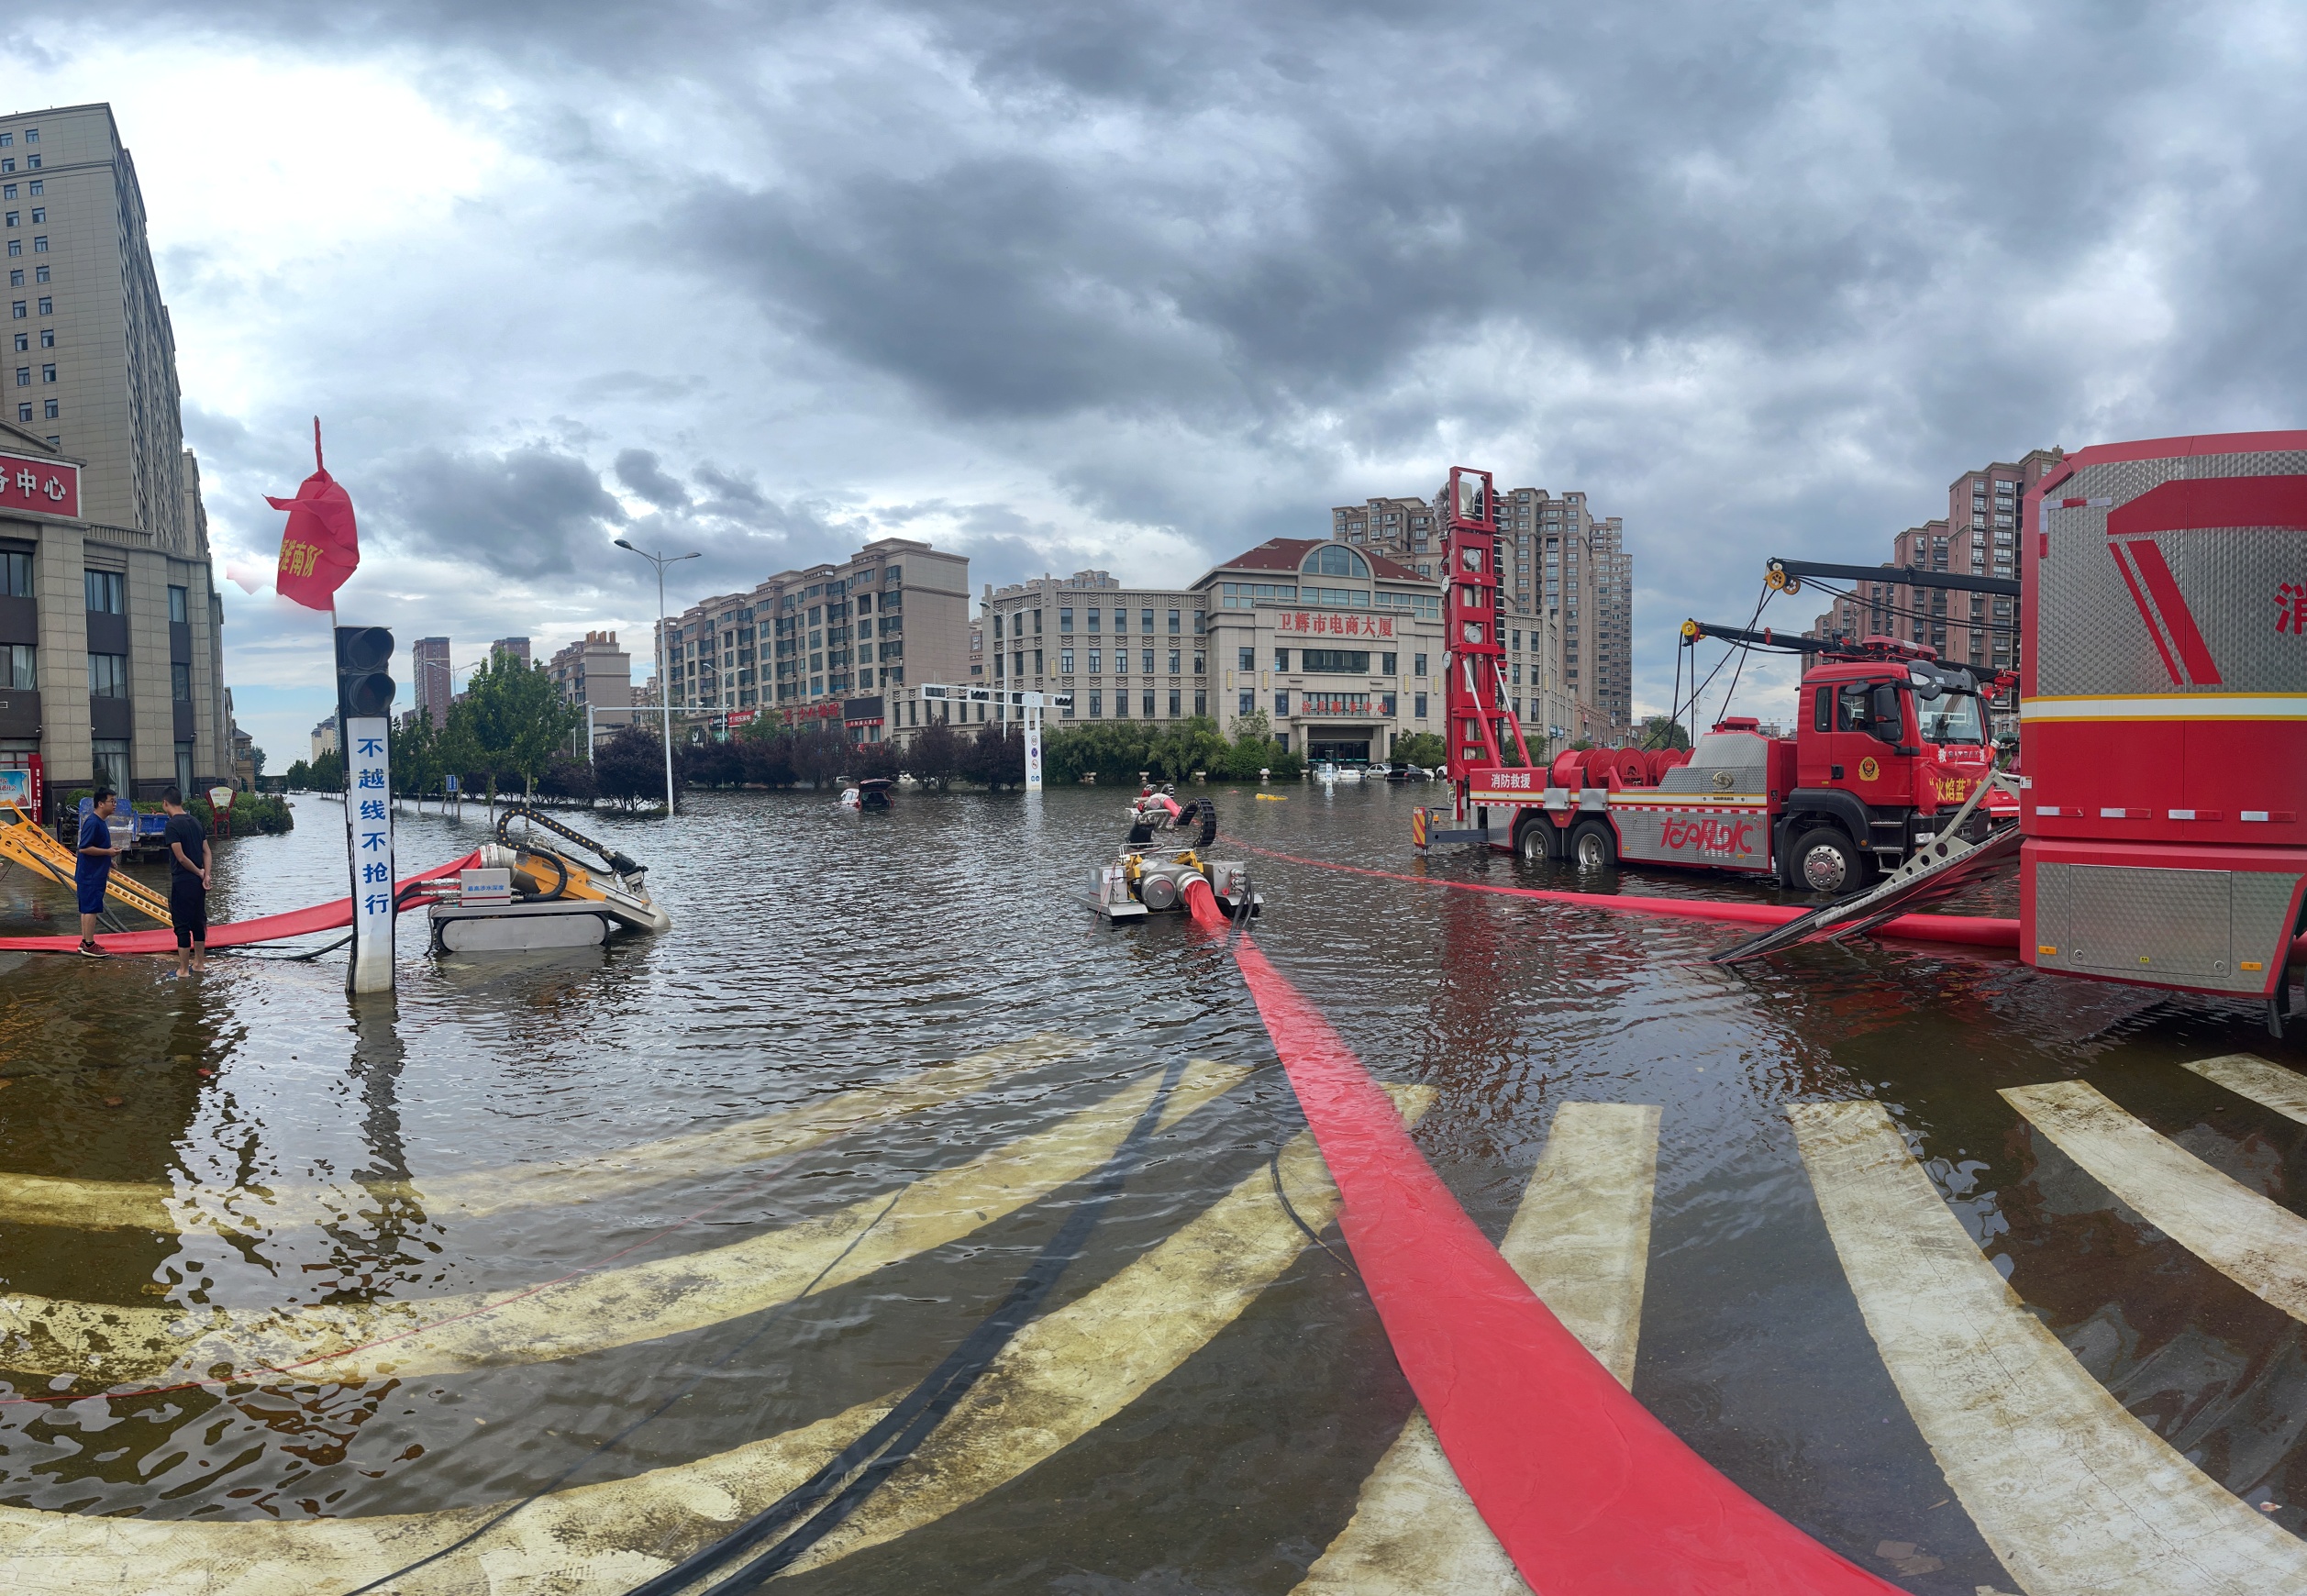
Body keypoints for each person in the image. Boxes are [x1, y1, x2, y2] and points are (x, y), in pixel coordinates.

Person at [160, 786, 211, 976]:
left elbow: (180, 857)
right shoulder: (195, 821)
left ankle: (183, 970)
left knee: (181, 925)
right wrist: (206, 875)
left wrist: (198, 872)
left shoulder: (172, 825)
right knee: (198, 921)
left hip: (183, 881)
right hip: (199, 884)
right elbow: (207, 851)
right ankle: (199, 964)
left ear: (165, 803)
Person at [74, 786, 124, 957]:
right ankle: (89, 944)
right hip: (90, 874)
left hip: (93, 872)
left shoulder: (99, 822)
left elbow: (95, 847)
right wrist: (108, 853)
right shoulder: (93, 822)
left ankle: (84, 941)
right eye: (112, 801)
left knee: (87, 908)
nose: (114, 804)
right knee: (91, 908)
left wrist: (108, 860)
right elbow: (84, 848)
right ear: (101, 804)